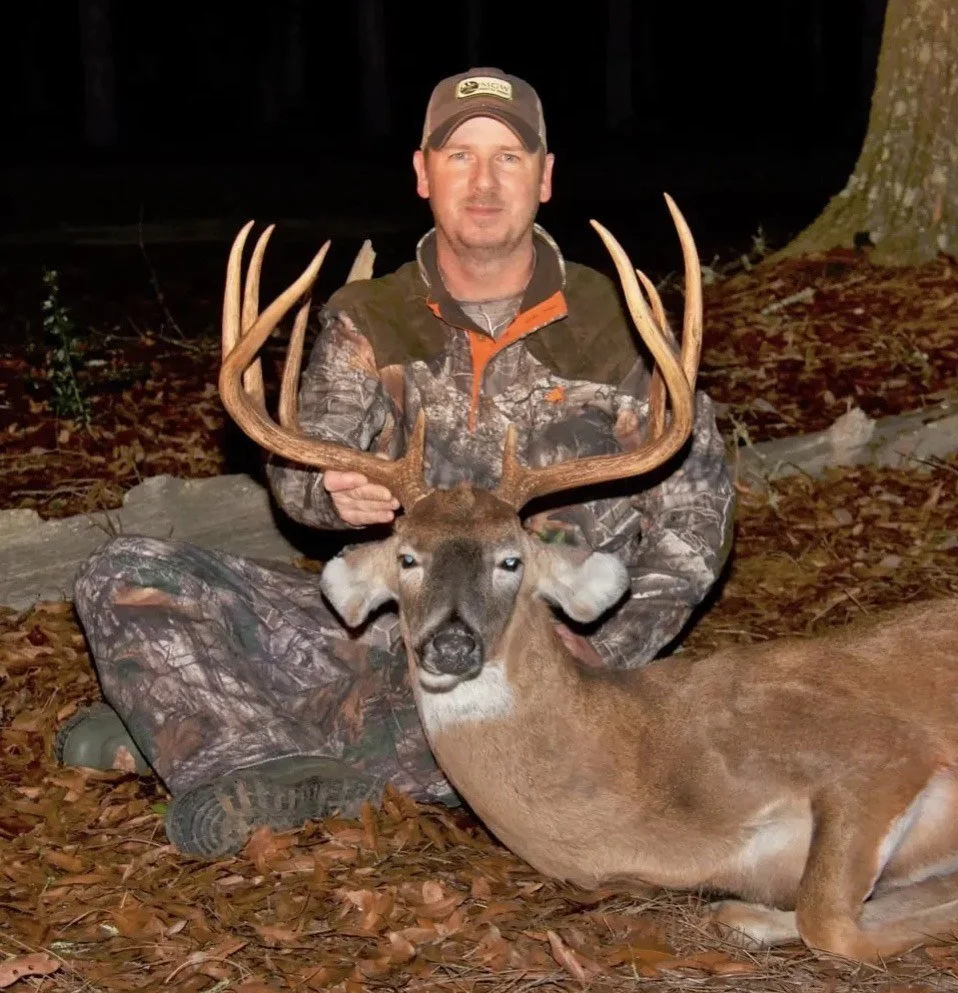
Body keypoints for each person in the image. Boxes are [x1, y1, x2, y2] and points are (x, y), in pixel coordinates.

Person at [60, 67, 737, 859]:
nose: (483, 184)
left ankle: (203, 729)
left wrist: (608, 646)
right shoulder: (367, 319)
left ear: (545, 177)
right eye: (459, 157)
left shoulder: (622, 325)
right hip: (388, 612)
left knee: (489, 738)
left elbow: (697, 523)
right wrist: (327, 494)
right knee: (124, 571)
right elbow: (297, 472)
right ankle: (254, 760)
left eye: (509, 158)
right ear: (423, 173)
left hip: (523, 649)